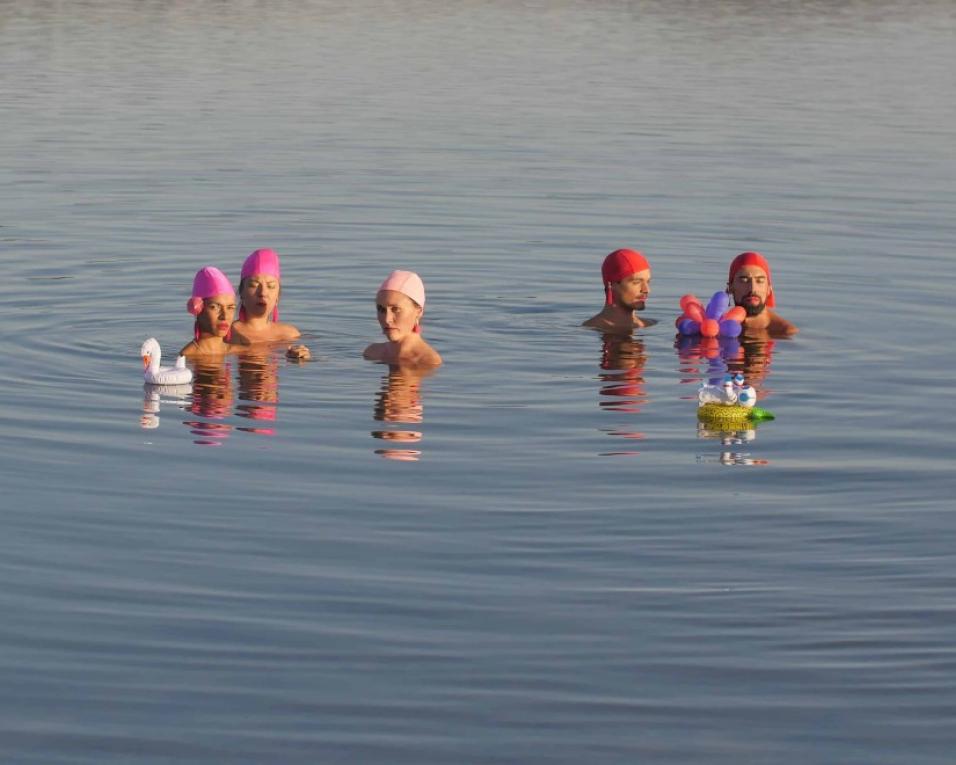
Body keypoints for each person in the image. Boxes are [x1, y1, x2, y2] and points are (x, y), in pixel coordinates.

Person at [231, 248, 310, 360]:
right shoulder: (227, 335)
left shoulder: (290, 335)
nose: (263, 293)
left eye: (271, 286)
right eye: (254, 285)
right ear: (241, 292)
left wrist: (301, 356)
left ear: (278, 296)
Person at [363, 270, 442, 367]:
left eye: (395, 309)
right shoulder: (372, 353)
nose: (387, 319)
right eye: (381, 309)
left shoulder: (428, 361)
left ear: (419, 312)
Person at [726, 252, 798, 336]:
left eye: (760, 281)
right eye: (744, 281)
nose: (752, 288)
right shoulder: (720, 323)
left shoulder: (784, 331)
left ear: (769, 289)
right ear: (730, 287)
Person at [180, 266, 245, 358]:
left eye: (230, 307)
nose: (225, 316)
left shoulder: (242, 353)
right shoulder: (186, 358)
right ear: (197, 309)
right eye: (215, 307)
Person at [583, 249, 653, 332]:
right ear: (611, 284)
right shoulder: (589, 329)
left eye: (647, 282)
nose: (646, 290)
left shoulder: (650, 325)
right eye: (636, 282)